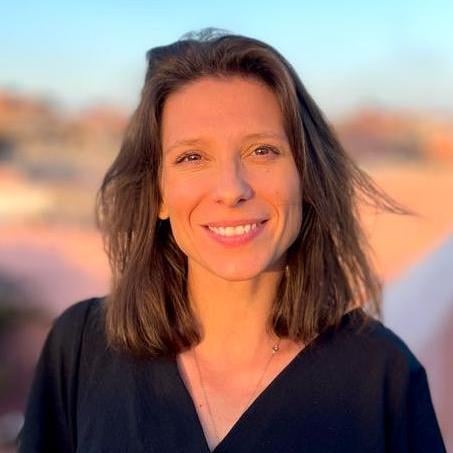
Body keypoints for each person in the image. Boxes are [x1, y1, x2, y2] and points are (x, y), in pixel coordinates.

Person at [18, 29, 446, 452]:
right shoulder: (81, 348)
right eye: (192, 157)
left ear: (305, 176)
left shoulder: (382, 377)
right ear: (158, 194)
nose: (231, 189)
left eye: (262, 151)